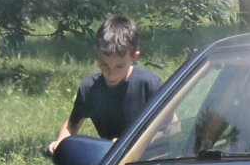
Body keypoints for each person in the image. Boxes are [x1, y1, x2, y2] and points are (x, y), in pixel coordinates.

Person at [49, 15, 164, 155]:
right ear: (97, 54)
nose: (111, 73)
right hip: (111, 161)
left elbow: (173, 128)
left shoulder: (149, 84)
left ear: (135, 57)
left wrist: (134, 143)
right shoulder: (90, 88)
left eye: (119, 66)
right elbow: (71, 125)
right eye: (104, 64)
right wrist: (61, 143)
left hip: (149, 160)